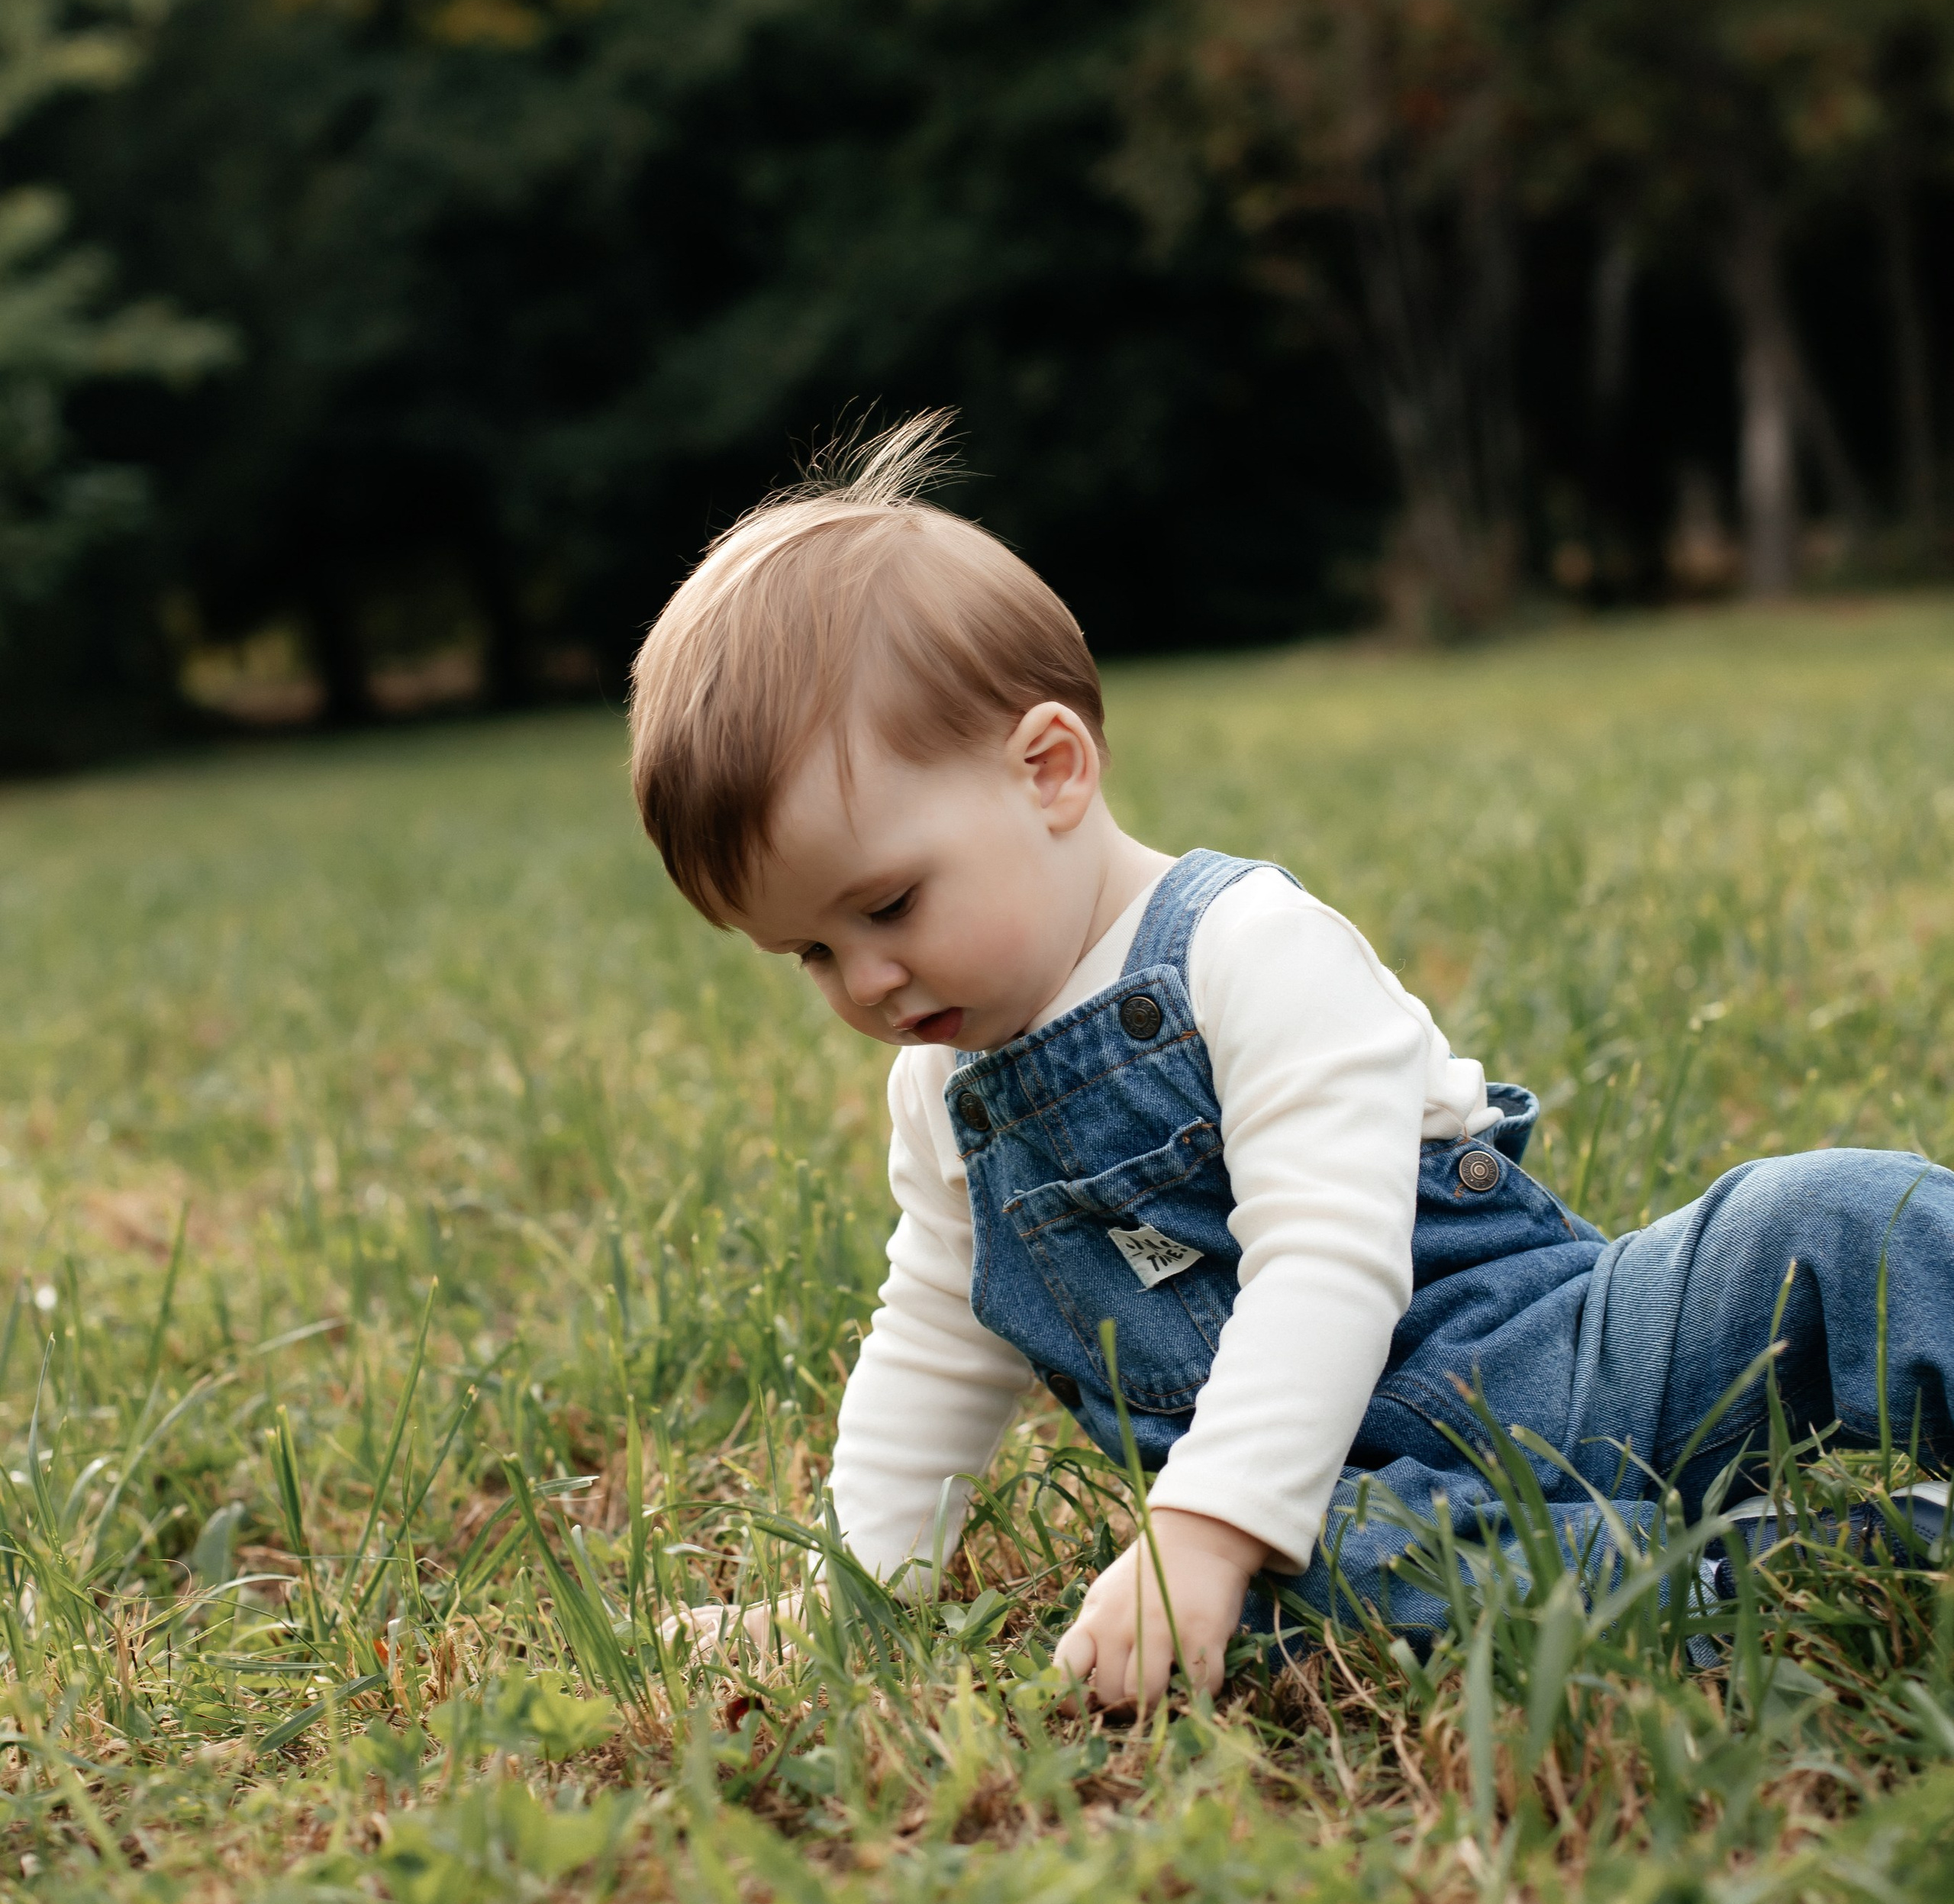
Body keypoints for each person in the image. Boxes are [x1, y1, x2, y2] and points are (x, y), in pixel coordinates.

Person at [627, 419, 1952, 1708]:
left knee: (1834, 1216)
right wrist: (859, 1594)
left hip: (1564, 1364)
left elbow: (1330, 1253)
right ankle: (1779, 1571)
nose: (866, 982)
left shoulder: (1246, 948)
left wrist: (1206, 1518)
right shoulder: (945, 1099)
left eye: (889, 906)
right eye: (809, 953)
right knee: (1307, 1596)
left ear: (1050, 770)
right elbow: (934, 1341)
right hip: (1331, 1511)